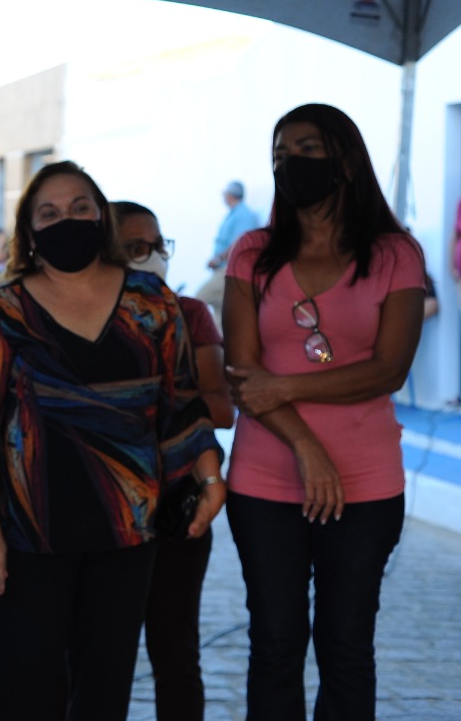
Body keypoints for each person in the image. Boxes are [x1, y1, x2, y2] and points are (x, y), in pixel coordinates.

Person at [0, 161, 224, 721]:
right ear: (30, 231)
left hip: (128, 531)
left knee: (103, 690)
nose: (66, 220)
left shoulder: (152, 303)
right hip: (30, 535)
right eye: (49, 212)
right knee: (24, 690)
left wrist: (210, 478)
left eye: (80, 208)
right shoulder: (5, 310)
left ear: (101, 218)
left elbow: (181, 401)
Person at [222, 103, 425, 721]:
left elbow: (389, 370)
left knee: (346, 644)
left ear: (345, 159)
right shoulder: (251, 254)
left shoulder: (396, 255)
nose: (290, 161)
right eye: (280, 151)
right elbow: (241, 377)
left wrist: (282, 389)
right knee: (276, 643)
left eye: (306, 147)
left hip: (365, 484)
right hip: (265, 481)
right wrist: (309, 448)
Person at [115, 200, 235, 721]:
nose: (154, 257)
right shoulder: (76, 318)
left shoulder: (189, 313)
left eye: (159, 246)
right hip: (104, 507)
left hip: (178, 504)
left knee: (174, 647)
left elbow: (221, 409)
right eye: (136, 248)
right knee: (99, 653)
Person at [195, 180, 259, 326]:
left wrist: (217, 259)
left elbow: (239, 244)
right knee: (221, 316)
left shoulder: (243, 215)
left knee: (198, 299)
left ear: (230, 195)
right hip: (224, 270)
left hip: (229, 270)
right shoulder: (233, 214)